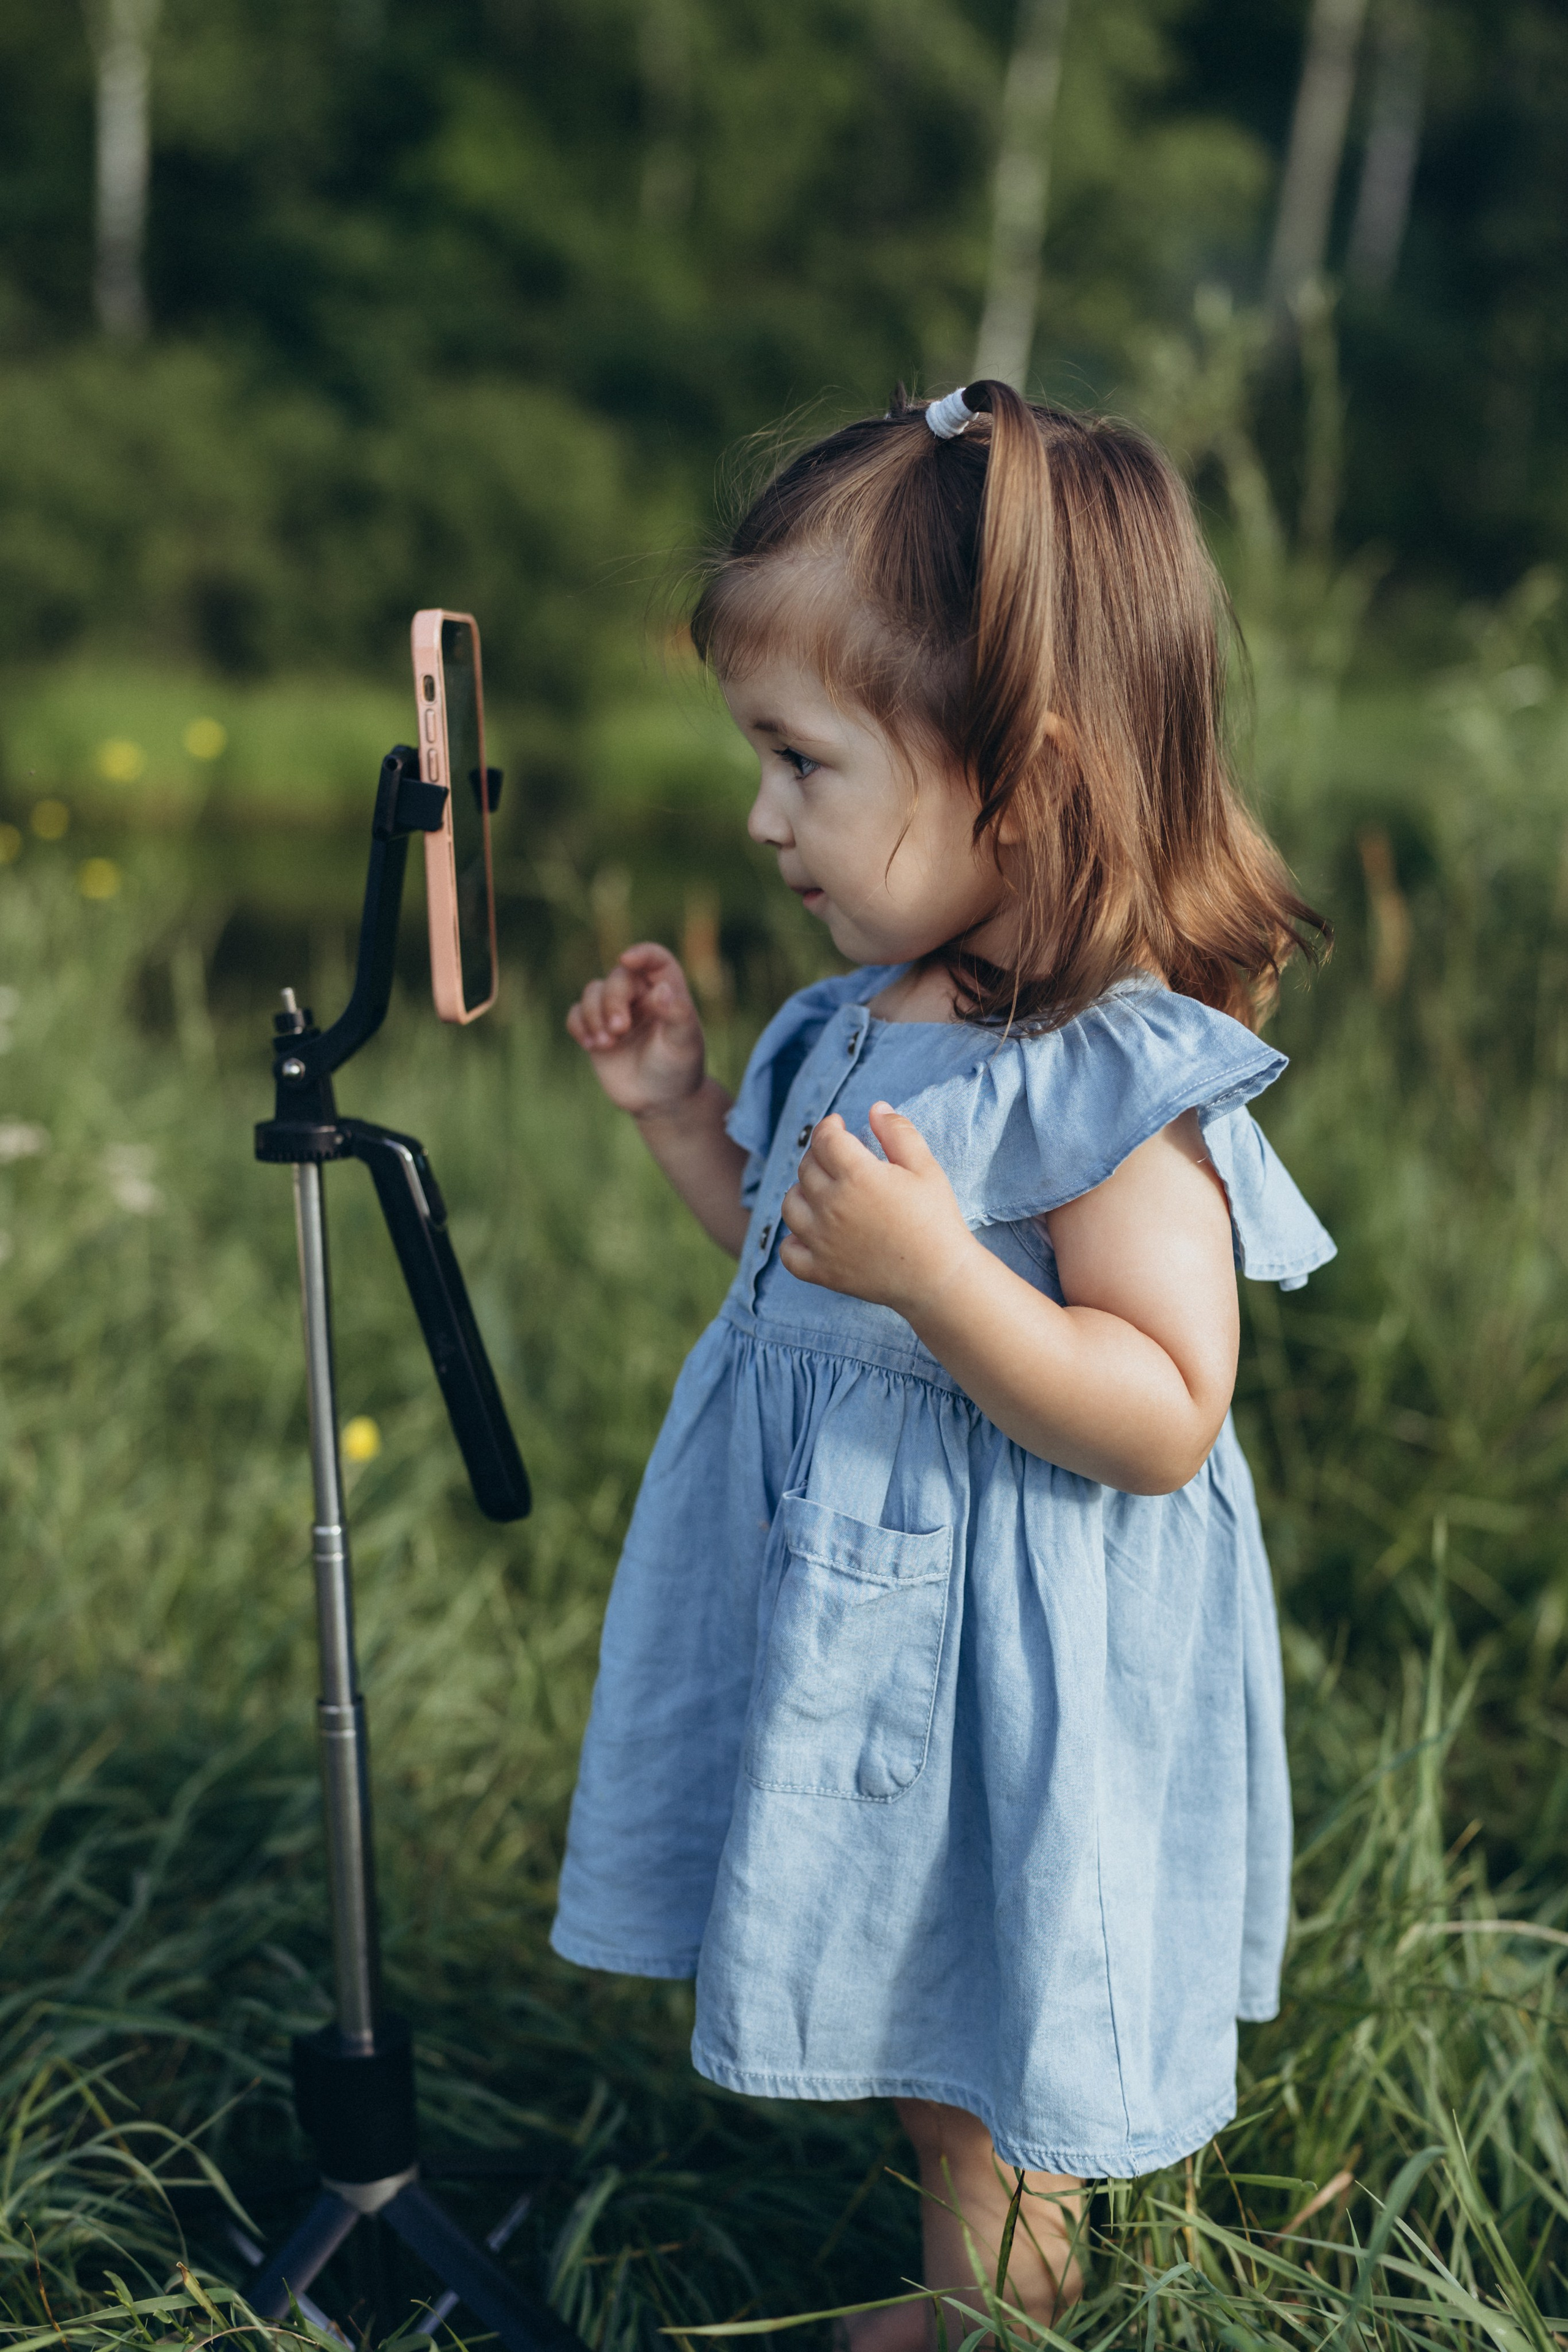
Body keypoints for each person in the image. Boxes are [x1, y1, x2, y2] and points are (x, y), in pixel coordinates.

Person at [550, 380, 1333, 2339]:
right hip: (868, 1620)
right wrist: (682, 1117)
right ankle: (970, 2282)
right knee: (918, 2003)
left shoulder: (1106, 1076)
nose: (761, 819)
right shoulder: (851, 1015)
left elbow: (1163, 1411)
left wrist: (944, 1283)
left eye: (804, 763)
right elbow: (801, 1273)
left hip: (1006, 1657)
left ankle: (997, 2313)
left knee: (983, 2032)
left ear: (1026, 775)